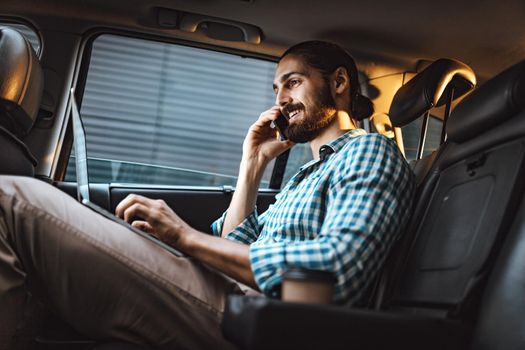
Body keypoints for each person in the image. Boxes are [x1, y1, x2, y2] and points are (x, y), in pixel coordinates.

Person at [0, 41, 414, 350]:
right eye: (276, 89)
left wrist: (184, 238)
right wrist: (251, 165)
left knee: (9, 200)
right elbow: (230, 247)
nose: (281, 100)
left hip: (266, 319)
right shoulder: (309, 173)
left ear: (339, 83)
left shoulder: (368, 151)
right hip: (228, 295)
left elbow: (336, 271)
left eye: (293, 83)